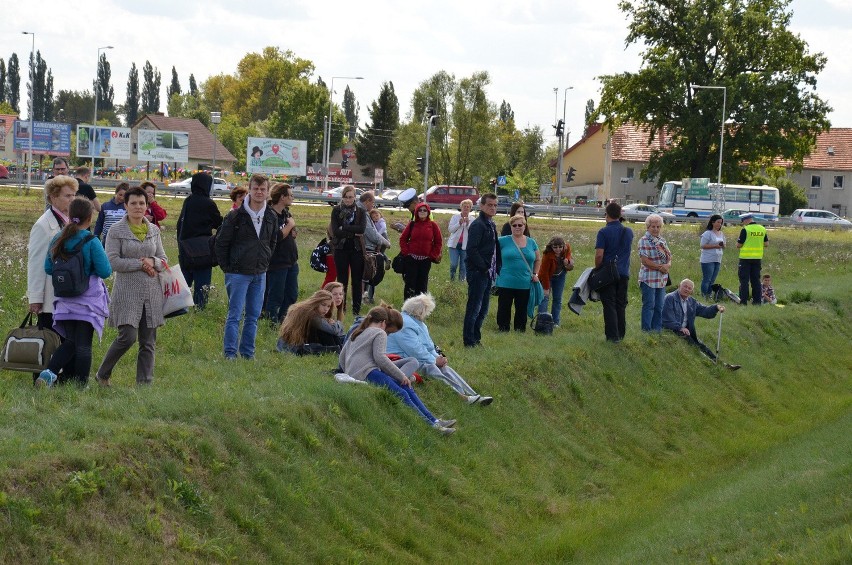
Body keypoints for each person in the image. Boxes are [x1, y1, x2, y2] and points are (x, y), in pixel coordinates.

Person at [339, 306, 456, 435]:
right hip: (368, 372)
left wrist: (349, 372)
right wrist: (401, 376)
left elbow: (342, 357)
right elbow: (381, 358)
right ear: (384, 323)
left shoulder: (357, 332)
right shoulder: (380, 333)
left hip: (359, 372)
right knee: (404, 392)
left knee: (405, 388)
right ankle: (432, 426)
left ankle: (434, 421)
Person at [95, 187, 168, 386]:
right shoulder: (116, 231)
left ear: (147, 205)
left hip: (151, 292)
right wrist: (141, 264)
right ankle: (102, 374)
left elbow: (163, 259)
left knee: (148, 342)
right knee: (127, 337)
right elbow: (112, 261)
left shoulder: (153, 230)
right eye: (133, 203)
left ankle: (144, 384)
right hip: (127, 292)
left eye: (142, 203)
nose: (138, 207)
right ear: (125, 205)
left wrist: (153, 261)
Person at [37, 197, 111, 387]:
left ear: (70, 215)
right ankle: (81, 385)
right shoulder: (91, 240)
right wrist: (88, 272)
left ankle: (49, 373)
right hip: (88, 301)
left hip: (65, 300)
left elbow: (48, 268)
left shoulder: (58, 238)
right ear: (90, 217)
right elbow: (105, 271)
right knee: (84, 344)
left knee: (69, 342)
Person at [386, 294, 493, 406]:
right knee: (431, 367)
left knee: (445, 368)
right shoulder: (405, 324)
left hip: (413, 358)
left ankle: (473, 395)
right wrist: (434, 361)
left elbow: (429, 346)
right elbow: (415, 350)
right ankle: (463, 397)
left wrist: (438, 358)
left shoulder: (419, 324)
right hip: (401, 360)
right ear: (421, 311)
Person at [214, 173, 278, 360]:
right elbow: (220, 243)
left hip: (260, 273)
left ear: (267, 192)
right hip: (238, 273)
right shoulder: (235, 216)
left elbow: (272, 242)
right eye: (255, 188)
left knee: (253, 316)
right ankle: (230, 354)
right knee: (235, 315)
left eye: (263, 189)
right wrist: (228, 267)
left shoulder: (271, 217)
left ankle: (248, 353)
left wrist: (265, 261)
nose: (259, 192)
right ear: (249, 189)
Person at [27, 175, 78, 383]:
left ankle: (62, 377)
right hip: (49, 296)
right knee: (48, 338)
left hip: (67, 293)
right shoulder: (43, 225)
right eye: (67, 196)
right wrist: (35, 297)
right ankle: (41, 377)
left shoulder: (70, 221)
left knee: (66, 337)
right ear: (52, 198)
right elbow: (36, 263)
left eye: (74, 195)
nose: (72, 199)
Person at [662, 279, 740, 370]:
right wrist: (679, 328)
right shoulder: (670, 298)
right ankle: (712, 365)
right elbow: (666, 318)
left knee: (701, 345)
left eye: (689, 288)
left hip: (686, 331)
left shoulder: (691, 302)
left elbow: (704, 311)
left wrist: (716, 307)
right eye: (685, 286)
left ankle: (722, 364)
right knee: (693, 346)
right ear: (679, 286)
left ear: (692, 291)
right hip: (673, 329)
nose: (687, 289)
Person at [176, 172, 223, 309]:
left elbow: (181, 224)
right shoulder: (208, 203)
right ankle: (200, 309)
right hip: (202, 250)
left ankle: (179, 308)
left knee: (185, 282)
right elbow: (219, 223)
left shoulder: (188, 201)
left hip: (186, 248)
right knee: (202, 284)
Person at [463, 193, 500, 347]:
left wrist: (496, 267)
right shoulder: (478, 225)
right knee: (474, 308)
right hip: (478, 272)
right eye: (489, 205)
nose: (492, 208)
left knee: (483, 309)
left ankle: (476, 338)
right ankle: (469, 341)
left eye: (495, 205)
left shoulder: (491, 224)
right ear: (482, 206)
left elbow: (495, 248)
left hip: (488, 273)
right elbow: (471, 249)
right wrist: (483, 267)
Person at [595, 202, 634, 342]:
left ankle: (612, 336)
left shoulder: (603, 232)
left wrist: (597, 269)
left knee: (609, 304)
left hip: (608, 273)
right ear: (620, 214)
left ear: (607, 214)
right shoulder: (628, 231)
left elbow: (599, 254)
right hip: (624, 272)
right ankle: (621, 333)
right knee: (621, 304)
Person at [496, 213, 541, 332]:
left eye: (520, 225)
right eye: (514, 225)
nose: (517, 227)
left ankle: (520, 330)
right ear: (510, 227)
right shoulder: (502, 241)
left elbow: (537, 259)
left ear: (524, 226)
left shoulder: (532, 242)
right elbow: (491, 254)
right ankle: (503, 329)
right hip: (505, 282)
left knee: (521, 308)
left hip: (525, 282)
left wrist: (535, 274)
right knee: (504, 308)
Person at [264, 182, 299, 323]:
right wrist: (290, 225)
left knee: (292, 294)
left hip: (291, 260)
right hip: (277, 262)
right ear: (282, 197)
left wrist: (292, 231)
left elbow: (289, 232)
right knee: (276, 295)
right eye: (290, 195)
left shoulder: (286, 213)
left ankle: (283, 321)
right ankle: (271, 322)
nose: (292, 198)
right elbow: (276, 237)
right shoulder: (270, 214)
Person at [330, 185, 367, 315]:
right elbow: (335, 231)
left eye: (350, 197)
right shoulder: (336, 211)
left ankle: (356, 310)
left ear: (355, 197)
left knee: (357, 281)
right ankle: (341, 309)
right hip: (341, 249)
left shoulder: (361, 211)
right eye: (345, 197)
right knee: (342, 280)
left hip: (356, 250)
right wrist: (352, 232)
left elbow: (361, 229)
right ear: (342, 197)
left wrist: (344, 227)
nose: (348, 200)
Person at [276, 290, 343, 353]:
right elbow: (333, 330)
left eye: (328, 306)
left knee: (331, 335)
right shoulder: (311, 315)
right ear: (316, 303)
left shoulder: (306, 309)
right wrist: (337, 323)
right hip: (293, 347)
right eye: (323, 305)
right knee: (328, 333)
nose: (326, 309)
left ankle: (338, 348)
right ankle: (337, 349)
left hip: (289, 345)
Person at [399, 202, 442, 299]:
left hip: (425, 260)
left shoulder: (433, 225)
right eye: (420, 210)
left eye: (424, 210)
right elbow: (403, 239)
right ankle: (407, 309)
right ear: (416, 212)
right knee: (410, 284)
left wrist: (432, 255)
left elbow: (438, 242)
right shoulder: (412, 224)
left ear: (428, 212)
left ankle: (421, 309)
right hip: (411, 259)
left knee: (422, 285)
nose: (422, 212)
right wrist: (406, 252)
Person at [637, 214, 672, 332]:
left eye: (658, 226)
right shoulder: (644, 241)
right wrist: (659, 267)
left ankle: (656, 330)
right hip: (648, 279)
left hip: (661, 280)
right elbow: (645, 261)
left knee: (659, 306)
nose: (656, 229)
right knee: (649, 305)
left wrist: (667, 265)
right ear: (648, 227)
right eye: (653, 226)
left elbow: (669, 256)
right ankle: (646, 331)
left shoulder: (662, 240)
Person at [359, 191, 391, 304]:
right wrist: (384, 242)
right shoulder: (362, 212)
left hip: (368, 247)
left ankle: (364, 297)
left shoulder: (364, 212)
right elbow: (371, 233)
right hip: (366, 248)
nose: (373, 205)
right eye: (373, 202)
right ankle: (362, 298)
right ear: (367, 201)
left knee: (367, 274)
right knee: (367, 274)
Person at [538, 235, 574, 327]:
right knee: (545, 298)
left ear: (563, 246)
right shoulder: (547, 255)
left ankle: (555, 321)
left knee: (557, 299)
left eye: (560, 247)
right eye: (555, 247)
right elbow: (544, 272)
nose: (558, 249)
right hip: (548, 276)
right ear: (551, 246)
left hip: (560, 276)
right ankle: (542, 320)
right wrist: (546, 287)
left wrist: (568, 260)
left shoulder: (566, 248)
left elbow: (569, 252)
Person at [736, 213, 768, 305]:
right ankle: (757, 301)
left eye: (743, 222)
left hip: (745, 258)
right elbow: (766, 244)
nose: (743, 224)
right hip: (757, 258)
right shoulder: (762, 229)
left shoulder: (745, 229)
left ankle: (743, 302)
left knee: (744, 281)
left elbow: (739, 245)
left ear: (746, 220)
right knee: (756, 281)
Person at [699, 214, 726, 298]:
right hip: (708, 259)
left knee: (712, 280)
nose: (719, 224)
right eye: (718, 222)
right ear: (713, 222)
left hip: (717, 259)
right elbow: (703, 245)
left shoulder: (721, 234)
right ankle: (704, 295)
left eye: (721, 223)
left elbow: (724, 246)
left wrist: (723, 245)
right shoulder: (708, 233)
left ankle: (709, 294)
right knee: (707, 279)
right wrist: (715, 246)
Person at [447, 199, 473, 282]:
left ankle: (461, 283)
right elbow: (450, 230)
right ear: (461, 207)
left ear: (470, 209)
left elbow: (473, 233)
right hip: (454, 245)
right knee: (453, 264)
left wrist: (468, 224)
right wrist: (459, 223)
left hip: (465, 247)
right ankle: (452, 280)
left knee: (463, 266)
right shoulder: (455, 217)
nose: (466, 208)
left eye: (468, 207)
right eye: (464, 206)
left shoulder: (472, 219)